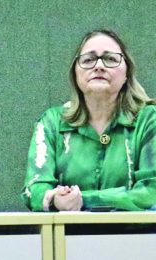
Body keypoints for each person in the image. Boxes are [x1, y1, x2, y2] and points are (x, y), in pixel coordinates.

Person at [22, 29, 156, 212]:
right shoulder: (52, 122)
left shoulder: (149, 119)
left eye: (110, 59)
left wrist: (83, 200)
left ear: (127, 73)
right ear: (75, 74)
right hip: (69, 231)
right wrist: (53, 199)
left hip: (137, 230)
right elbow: (34, 189)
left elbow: (152, 192)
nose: (99, 66)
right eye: (88, 60)